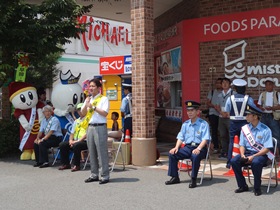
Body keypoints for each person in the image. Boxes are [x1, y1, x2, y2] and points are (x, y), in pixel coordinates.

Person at [165, 100, 211, 188]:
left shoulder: (203, 124)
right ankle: (175, 177)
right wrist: (176, 147)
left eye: (192, 110)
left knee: (195, 156)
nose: (189, 113)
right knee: (172, 154)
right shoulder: (185, 124)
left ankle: (193, 179)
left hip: (200, 148)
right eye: (188, 110)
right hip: (188, 147)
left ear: (197, 112)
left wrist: (198, 149)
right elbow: (180, 137)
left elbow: (205, 139)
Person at [230, 103, 273, 196]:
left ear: (255, 116)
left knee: (256, 162)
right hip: (248, 153)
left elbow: (267, 149)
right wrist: (242, 155)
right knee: (234, 161)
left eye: (248, 114)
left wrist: (253, 156)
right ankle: (242, 185)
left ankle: (257, 187)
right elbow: (242, 145)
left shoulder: (265, 130)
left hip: (260, 154)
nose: (246, 116)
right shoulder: (245, 129)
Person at [82, 78, 110, 184]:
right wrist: (87, 104)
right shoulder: (88, 99)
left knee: (101, 151)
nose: (91, 88)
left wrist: (93, 107)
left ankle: (105, 175)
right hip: (90, 127)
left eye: (93, 86)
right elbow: (83, 113)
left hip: (100, 127)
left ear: (99, 88)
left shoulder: (103, 99)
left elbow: (104, 113)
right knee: (92, 151)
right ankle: (94, 174)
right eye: (90, 86)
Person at [224, 79, 254, 169]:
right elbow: (253, 109)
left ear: (235, 89)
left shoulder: (230, 98)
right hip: (245, 123)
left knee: (232, 142)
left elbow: (227, 110)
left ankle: (229, 162)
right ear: (244, 88)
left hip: (233, 123)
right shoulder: (248, 98)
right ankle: (245, 161)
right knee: (245, 142)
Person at [58, 103, 88, 172]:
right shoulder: (76, 121)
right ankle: (66, 164)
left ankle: (76, 165)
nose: (80, 111)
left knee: (76, 145)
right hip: (75, 140)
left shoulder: (88, 120)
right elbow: (72, 133)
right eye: (78, 110)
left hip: (85, 141)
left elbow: (87, 133)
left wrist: (77, 141)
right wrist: (70, 140)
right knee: (62, 145)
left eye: (81, 110)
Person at [257, 78, 280, 157]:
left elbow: (279, 106)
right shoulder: (262, 94)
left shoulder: (277, 94)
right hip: (264, 115)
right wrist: (262, 108)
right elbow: (259, 105)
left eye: (270, 84)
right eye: (266, 85)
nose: (268, 86)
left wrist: (272, 108)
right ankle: (266, 154)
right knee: (264, 134)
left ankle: (277, 154)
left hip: (273, 116)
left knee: (276, 135)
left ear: (273, 85)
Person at [215, 78, 235, 159]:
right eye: (223, 83)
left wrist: (228, 113)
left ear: (230, 84)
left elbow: (236, 105)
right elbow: (216, 105)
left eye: (226, 82)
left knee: (231, 135)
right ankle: (224, 152)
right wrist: (221, 112)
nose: (224, 84)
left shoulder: (233, 93)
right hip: (221, 117)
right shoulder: (219, 94)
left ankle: (231, 152)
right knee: (222, 135)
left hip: (230, 117)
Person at [206, 78, 222, 153]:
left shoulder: (225, 93)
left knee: (222, 131)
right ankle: (216, 146)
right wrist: (214, 106)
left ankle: (223, 147)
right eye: (217, 83)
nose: (218, 84)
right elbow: (208, 103)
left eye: (219, 83)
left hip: (222, 114)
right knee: (214, 130)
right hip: (213, 113)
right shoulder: (212, 92)